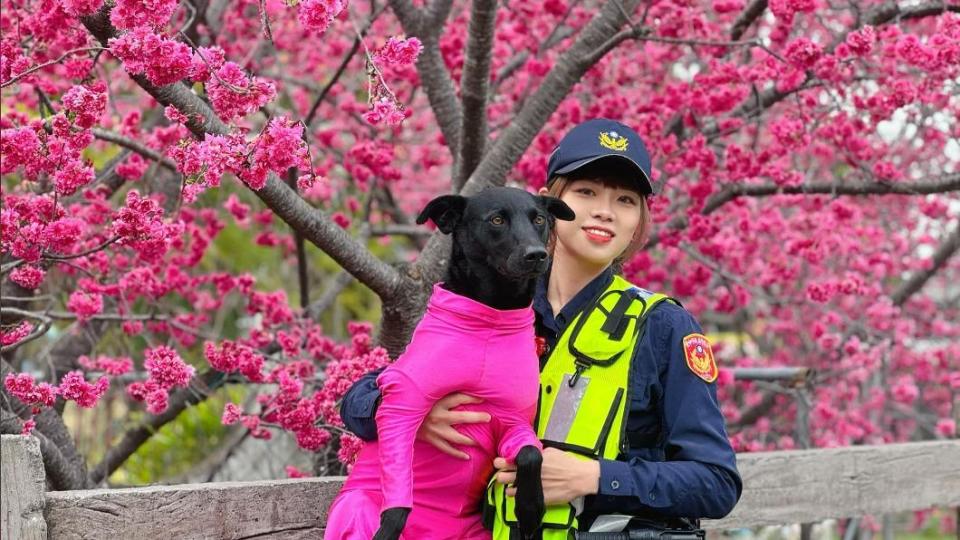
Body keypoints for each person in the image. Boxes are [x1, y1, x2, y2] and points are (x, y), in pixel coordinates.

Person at [339, 118, 742, 538]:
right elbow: (363, 401)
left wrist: (595, 477)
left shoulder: (663, 327)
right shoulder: (491, 304)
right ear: (547, 206)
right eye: (586, 192)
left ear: (639, 220)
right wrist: (419, 418)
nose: (604, 210)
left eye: (625, 200)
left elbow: (716, 483)